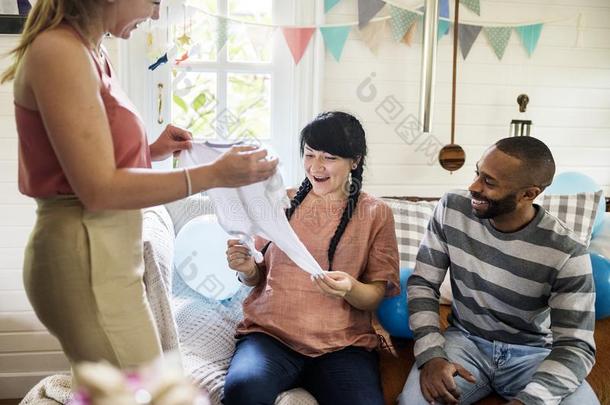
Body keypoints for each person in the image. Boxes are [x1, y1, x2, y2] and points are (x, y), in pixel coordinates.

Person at [1, 0, 277, 370]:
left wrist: (150, 151)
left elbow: (88, 162)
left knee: (123, 391)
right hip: (84, 254)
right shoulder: (59, 51)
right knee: (145, 391)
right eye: (154, 1)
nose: (157, 13)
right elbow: (97, 189)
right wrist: (213, 175)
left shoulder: (92, 52)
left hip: (109, 257)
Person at [398, 137, 598, 405]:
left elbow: (576, 346)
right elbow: (422, 283)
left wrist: (530, 400)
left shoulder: (567, 251)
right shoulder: (451, 209)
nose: (473, 187)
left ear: (529, 194)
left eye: (489, 182)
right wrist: (432, 355)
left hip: (533, 354)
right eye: (477, 173)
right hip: (464, 341)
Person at [223, 111, 400, 405]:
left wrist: (350, 289)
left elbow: (375, 296)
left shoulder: (376, 214)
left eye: (329, 158)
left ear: (354, 161)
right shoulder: (280, 201)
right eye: (309, 154)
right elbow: (256, 277)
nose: (316, 166)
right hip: (270, 338)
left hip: (343, 346)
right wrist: (245, 269)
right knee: (245, 389)